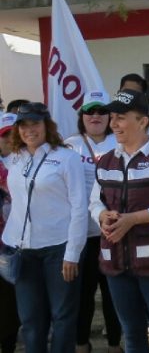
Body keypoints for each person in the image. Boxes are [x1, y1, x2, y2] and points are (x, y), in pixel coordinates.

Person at [90, 89, 149, 353]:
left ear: (143, 121)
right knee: (131, 332)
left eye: (121, 118)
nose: (114, 124)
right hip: (116, 262)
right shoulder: (106, 161)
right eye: (113, 118)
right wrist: (102, 214)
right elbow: (95, 200)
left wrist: (132, 219)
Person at [3, 102, 88, 353]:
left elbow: (79, 208)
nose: (30, 130)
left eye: (35, 124)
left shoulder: (67, 158)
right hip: (23, 250)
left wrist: (72, 253)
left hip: (59, 250)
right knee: (30, 319)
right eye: (24, 125)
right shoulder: (15, 159)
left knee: (62, 316)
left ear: (46, 126)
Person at [64, 91, 122, 353]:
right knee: (83, 294)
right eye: (90, 111)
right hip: (81, 234)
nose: (96, 116)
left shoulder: (119, 142)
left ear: (110, 115)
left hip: (113, 231)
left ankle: (114, 343)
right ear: (82, 116)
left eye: (101, 110)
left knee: (113, 293)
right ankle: (81, 343)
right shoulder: (69, 145)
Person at [0, 114, 19, 353]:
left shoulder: (28, 163)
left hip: (15, 244)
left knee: (10, 302)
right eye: (5, 135)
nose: (10, 139)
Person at [119, 73, 149, 145]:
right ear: (119, 92)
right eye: (127, 91)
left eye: (135, 93)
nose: (130, 95)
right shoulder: (109, 117)